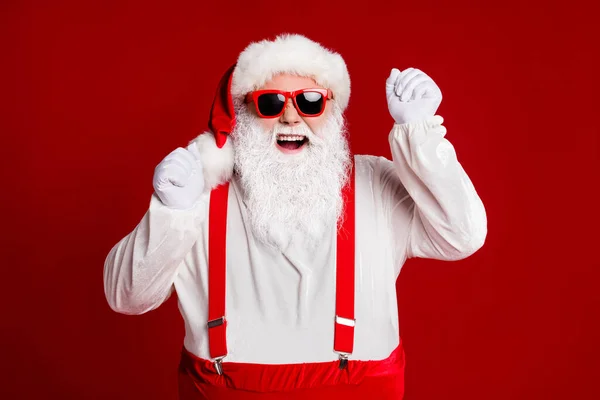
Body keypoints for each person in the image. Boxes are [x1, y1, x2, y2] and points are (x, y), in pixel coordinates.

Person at [103, 33, 487, 399]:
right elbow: (127, 297)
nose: (290, 116)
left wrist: (419, 135)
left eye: (309, 101)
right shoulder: (200, 195)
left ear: (333, 109)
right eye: (270, 102)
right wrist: (172, 210)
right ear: (243, 114)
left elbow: (462, 235)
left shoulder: (375, 182)